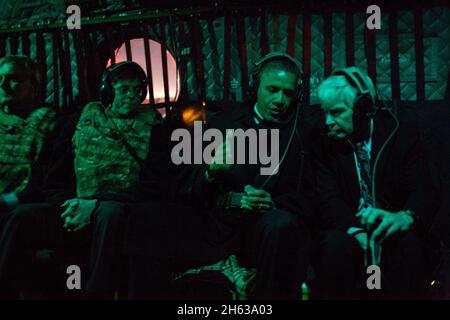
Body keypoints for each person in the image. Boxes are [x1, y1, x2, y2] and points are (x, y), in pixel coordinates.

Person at [127, 52, 318, 299]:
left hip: (261, 228)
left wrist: (274, 203)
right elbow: (185, 180)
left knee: (280, 225)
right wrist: (210, 171)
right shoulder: (224, 123)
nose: (280, 99)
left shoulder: (302, 134)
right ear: (255, 87)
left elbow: (312, 196)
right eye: (272, 89)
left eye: (288, 93)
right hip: (217, 224)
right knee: (143, 218)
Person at [0, 61, 163, 299]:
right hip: (73, 206)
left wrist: (95, 205)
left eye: (137, 90)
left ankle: (96, 293)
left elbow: (153, 186)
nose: (131, 96)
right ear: (108, 90)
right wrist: (70, 204)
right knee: (22, 216)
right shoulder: (80, 119)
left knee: (109, 212)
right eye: (123, 89)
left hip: (116, 211)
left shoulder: (155, 127)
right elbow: (54, 177)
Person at [311, 67, 437, 299]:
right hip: (350, 228)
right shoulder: (323, 144)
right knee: (333, 246)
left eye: (337, 112)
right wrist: (356, 231)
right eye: (325, 113)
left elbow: (424, 188)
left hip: (391, 227)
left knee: (408, 246)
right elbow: (327, 198)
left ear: (363, 110)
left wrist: (405, 216)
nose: (328, 121)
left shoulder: (401, 134)